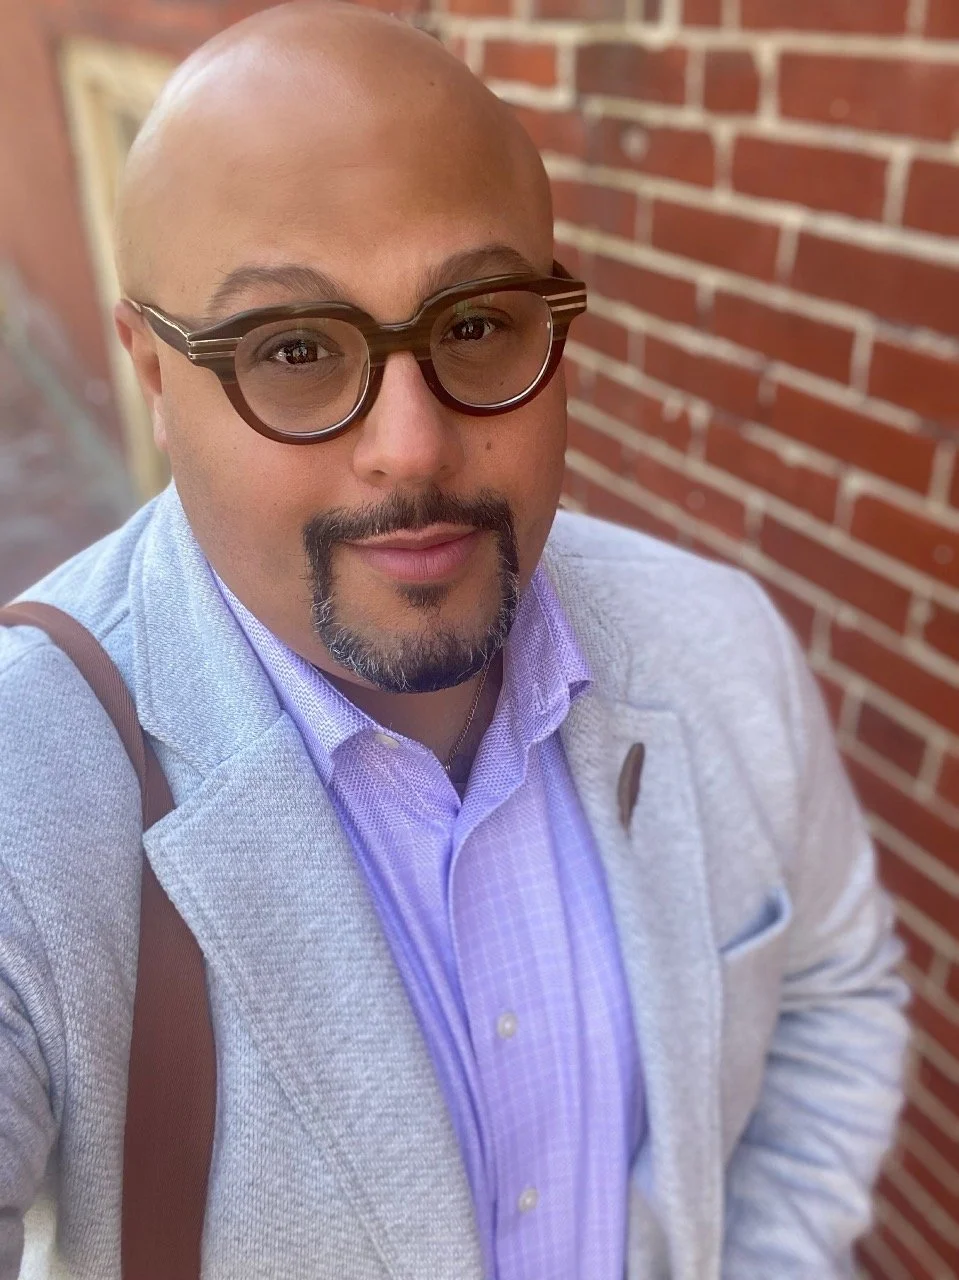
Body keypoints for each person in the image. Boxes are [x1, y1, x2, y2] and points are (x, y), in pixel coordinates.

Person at [0, 4, 909, 1278]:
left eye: (475, 323)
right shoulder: (28, 785)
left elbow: (830, 999)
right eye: (295, 349)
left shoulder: (718, 649)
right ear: (151, 372)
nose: (413, 448)